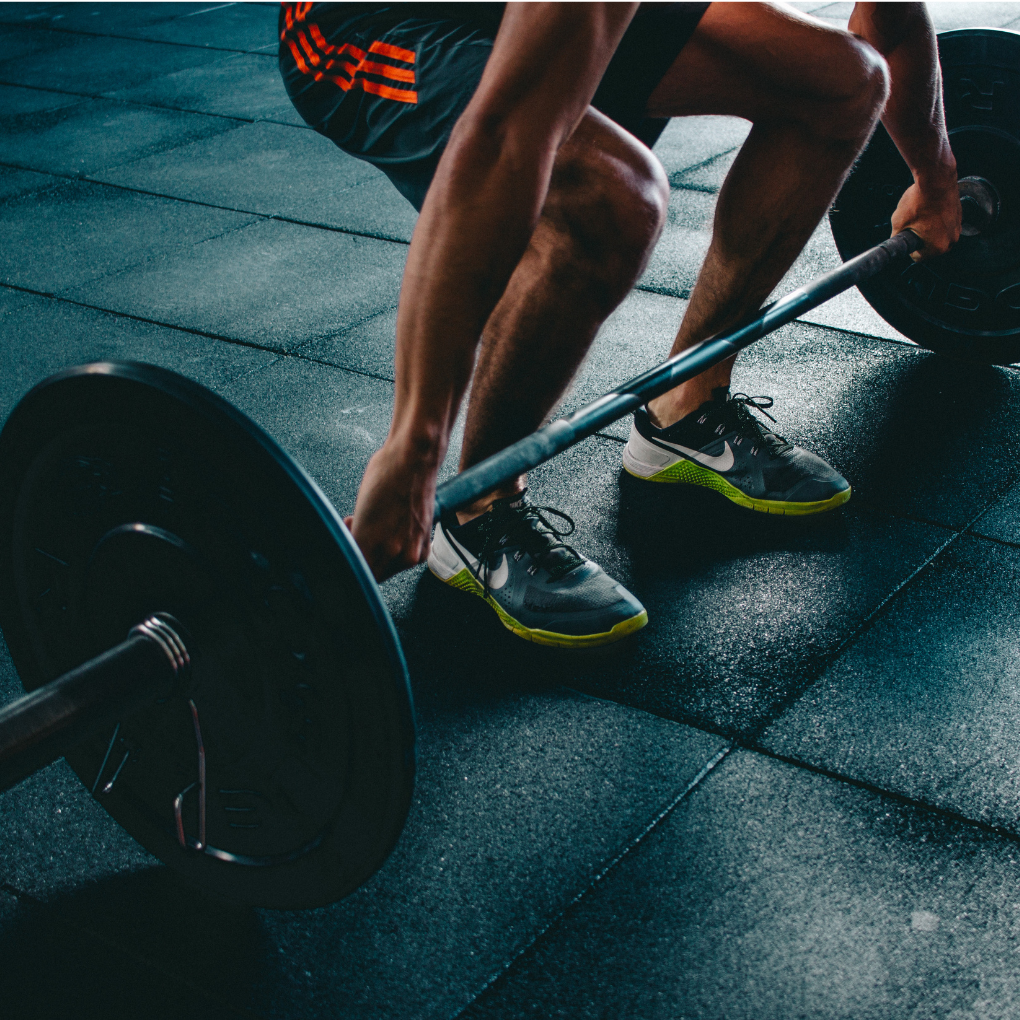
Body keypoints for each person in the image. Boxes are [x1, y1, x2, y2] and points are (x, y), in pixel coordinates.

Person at [280, 2, 961, 647]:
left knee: (842, 83)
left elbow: (890, 24)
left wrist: (934, 177)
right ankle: (478, 511)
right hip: (366, 22)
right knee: (612, 196)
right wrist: (413, 449)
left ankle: (685, 407)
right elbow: (506, 137)